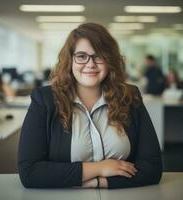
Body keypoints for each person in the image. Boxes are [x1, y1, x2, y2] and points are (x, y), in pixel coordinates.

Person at [18, 23, 162, 189]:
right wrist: (100, 168)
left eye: (98, 56)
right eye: (81, 56)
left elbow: (152, 168)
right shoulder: (45, 100)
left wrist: (99, 182)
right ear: (69, 60)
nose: (90, 64)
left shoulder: (129, 96)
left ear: (110, 60)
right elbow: (30, 172)